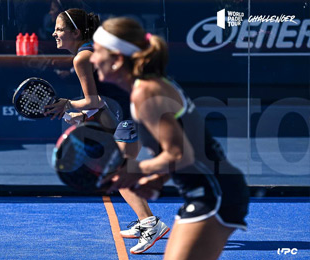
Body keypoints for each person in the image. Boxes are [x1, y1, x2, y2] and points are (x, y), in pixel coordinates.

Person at [90, 17, 250, 259]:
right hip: (206, 190)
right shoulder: (146, 88)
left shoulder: (147, 92)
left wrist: (134, 169)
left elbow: (178, 153)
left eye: (98, 51)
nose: (91, 58)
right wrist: (158, 177)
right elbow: (181, 149)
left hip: (215, 193)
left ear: (117, 59)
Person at [43, 9, 169, 254]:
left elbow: (92, 100)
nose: (54, 33)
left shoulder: (82, 58)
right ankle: (146, 220)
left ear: (75, 32)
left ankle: (151, 225)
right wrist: (81, 115)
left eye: (59, 29)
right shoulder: (94, 47)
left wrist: (68, 104)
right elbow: (103, 100)